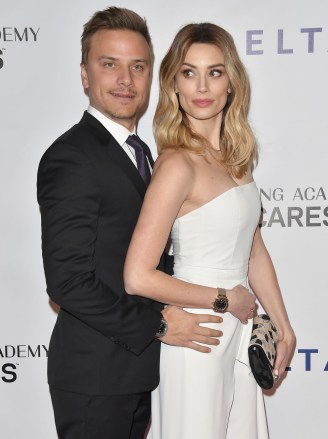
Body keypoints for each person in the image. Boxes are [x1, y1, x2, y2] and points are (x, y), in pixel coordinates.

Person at [37, 9, 226, 439]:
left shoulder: (145, 154)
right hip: (94, 379)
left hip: (139, 372)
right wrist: (158, 325)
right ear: (85, 75)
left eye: (137, 66)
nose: (125, 80)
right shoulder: (72, 157)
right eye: (110, 65)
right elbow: (67, 282)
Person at [124, 22, 296, 438]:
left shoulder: (237, 160)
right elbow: (137, 276)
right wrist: (224, 299)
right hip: (198, 334)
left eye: (214, 72)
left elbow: (252, 247)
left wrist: (283, 324)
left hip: (240, 329)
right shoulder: (176, 165)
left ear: (231, 84)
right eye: (189, 72)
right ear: (174, 85)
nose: (202, 85)